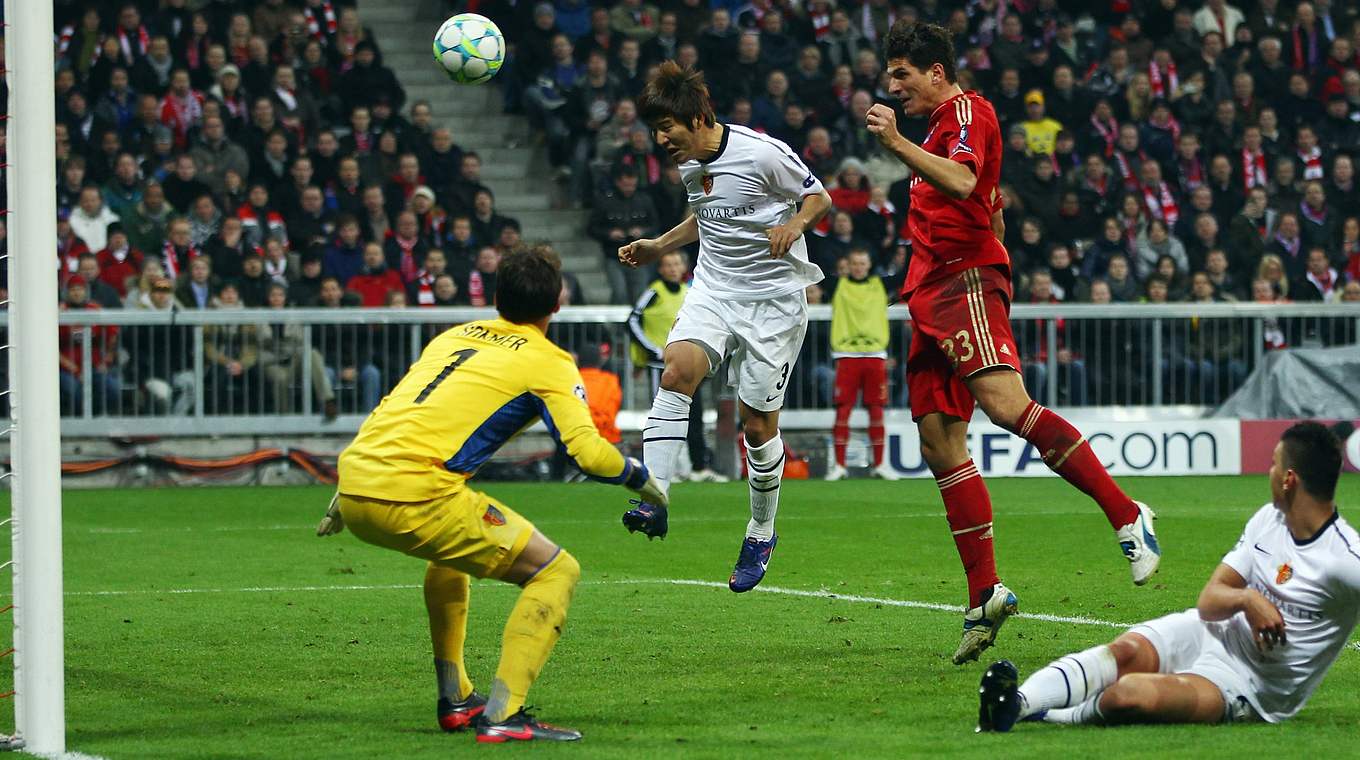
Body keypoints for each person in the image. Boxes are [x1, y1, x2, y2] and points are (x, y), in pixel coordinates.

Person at [866, 21, 1160, 665]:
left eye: (902, 75)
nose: (893, 86)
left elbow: (968, 184)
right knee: (939, 439)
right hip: (931, 293)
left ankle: (1126, 512)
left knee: (1005, 405)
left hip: (964, 281)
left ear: (936, 72)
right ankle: (985, 593)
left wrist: (894, 143)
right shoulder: (938, 130)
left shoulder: (968, 111)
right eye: (891, 76)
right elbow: (990, 203)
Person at [318, 249, 667, 743]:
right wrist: (642, 478)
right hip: (416, 493)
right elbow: (586, 453)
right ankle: (504, 715)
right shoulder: (549, 362)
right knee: (556, 571)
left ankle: (456, 696)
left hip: (356, 480)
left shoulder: (454, 336)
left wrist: (344, 493)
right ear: (558, 304)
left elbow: (394, 411)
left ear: (497, 297)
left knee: (449, 557)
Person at [979, 422, 1359, 731]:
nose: (1270, 473)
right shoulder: (1268, 520)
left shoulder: (1344, 558)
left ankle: (1050, 714)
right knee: (1123, 653)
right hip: (1210, 631)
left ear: (1290, 479)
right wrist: (1247, 599)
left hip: (1251, 687)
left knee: (1127, 695)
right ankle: (1017, 703)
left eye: (1275, 465)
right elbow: (1210, 603)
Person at [618, 61, 832, 592]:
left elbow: (819, 196)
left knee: (757, 430)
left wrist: (795, 224)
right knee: (678, 368)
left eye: (667, 127)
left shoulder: (762, 153)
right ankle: (656, 496)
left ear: (696, 116)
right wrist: (658, 246)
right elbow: (705, 215)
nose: (660, 139)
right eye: (655, 130)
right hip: (714, 289)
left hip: (774, 303)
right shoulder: (691, 164)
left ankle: (761, 530)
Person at [627, 251, 727, 483]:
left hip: (689, 364)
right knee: (666, 416)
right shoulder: (654, 291)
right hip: (659, 365)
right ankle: (667, 469)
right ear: (660, 269)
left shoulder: (688, 292)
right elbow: (632, 320)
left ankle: (699, 467)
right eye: (667, 264)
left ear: (684, 268)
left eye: (676, 264)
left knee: (695, 415)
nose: (672, 268)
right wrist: (653, 351)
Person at [825, 249, 896, 481]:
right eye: (854, 263)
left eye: (862, 263)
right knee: (843, 410)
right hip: (846, 355)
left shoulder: (880, 285)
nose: (858, 267)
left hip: (875, 355)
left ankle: (880, 465)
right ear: (848, 264)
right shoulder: (838, 285)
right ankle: (839, 465)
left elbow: (906, 273)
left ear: (869, 265)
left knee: (876, 410)